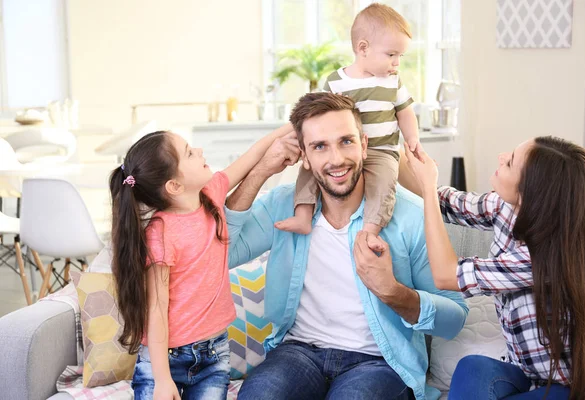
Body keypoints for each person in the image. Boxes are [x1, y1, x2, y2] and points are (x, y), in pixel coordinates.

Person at [226, 92, 468, 400]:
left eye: (346, 141)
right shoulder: (284, 204)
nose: (337, 159)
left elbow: (455, 318)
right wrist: (261, 171)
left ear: (364, 144)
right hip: (298, 353)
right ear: (304, 155)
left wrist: (392, 292)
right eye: (320, 146)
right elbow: (224, 251)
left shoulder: (410, 215)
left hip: (379, 362)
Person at [403, 138, 585, 399]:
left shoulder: (540, 257)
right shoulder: (508, 207)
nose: (501, 157)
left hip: (569, 389)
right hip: (529, 375)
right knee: (472, 369)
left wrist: (428, 188)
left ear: (530, 193)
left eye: (510, 163)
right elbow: (444, 202)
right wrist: (395, 145)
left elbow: (446, 274)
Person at [109, 124, 295, 400]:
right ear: (174, 185)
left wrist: (292, 125)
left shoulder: (211, 193)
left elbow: (252, 154)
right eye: (189, 153)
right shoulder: (160, 234)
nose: (200, 150)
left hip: (214, 354)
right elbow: (156, 311)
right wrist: (162, 380)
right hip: (166, 359)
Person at [276, 3, 422, 249]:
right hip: (343, 149)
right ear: (363, 48)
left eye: (400, 56)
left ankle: (370, 230)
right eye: (391, 55)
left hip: (381, 151)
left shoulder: (393, 82)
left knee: (384, 185)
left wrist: (412, 138)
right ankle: (303, 215)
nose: (397, 63)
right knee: (309, 170)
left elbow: (405, 113)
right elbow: (316, 115)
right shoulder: (336, 82)